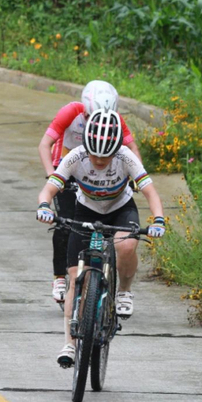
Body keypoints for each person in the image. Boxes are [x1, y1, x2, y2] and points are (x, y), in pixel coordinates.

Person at [36, 107, 165, 367]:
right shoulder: (75, 157)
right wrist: (44, 206)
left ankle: (124, 292)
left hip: (120, 209)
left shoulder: (126, 157)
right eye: (94, 155)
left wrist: (159, 219)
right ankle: (70, 344)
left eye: (105, 157)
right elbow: (49, 188)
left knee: (127, 245)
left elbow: (150, 192)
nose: (98, 161)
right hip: (87, 209)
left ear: (116, 150)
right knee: (74, 277)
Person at [38, 80, 143, 307]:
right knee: (66, 222)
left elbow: (132, 148)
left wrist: (135, 176)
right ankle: (59, 277)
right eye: (91, 117)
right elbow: (45, 144)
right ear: (84, 110)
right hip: (69, 167)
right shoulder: (71, 112)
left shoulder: (113, 120)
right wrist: (51, 175)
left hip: (99, 169)